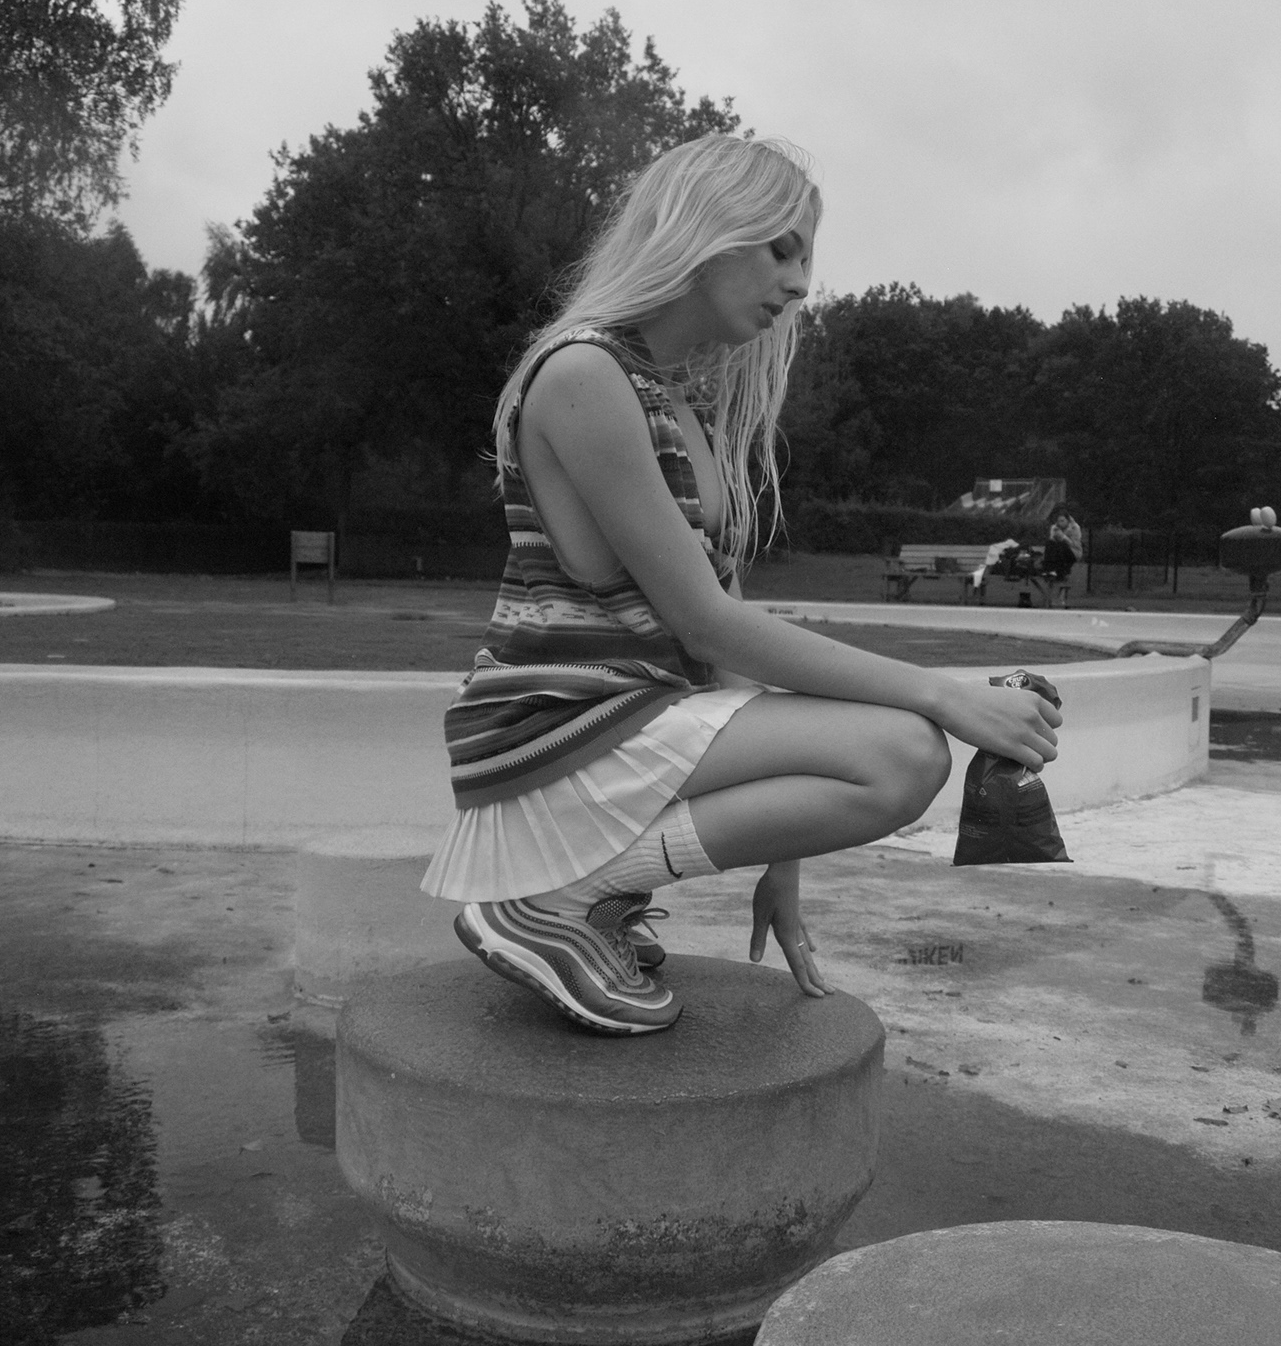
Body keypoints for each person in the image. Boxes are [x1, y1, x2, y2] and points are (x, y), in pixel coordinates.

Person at [423, 135, 1061, 1035]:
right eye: (780, 250)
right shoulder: (584, 372)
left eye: (807, 260)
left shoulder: (677, 400)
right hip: (559, 723)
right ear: (703, 231)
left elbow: (717, 652)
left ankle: (586, 898)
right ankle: (559, 899)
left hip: (630, 717)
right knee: (908, 752)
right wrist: (945, 695)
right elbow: (708, 625)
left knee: (902, 750)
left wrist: (784, 861)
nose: (800, 284)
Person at [1042, 504, 1083, 608]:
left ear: (1067, 520)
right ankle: (1049, 569)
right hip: (1059, 553)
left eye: (1062, 521)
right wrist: (1054, 537)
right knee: (1050, 543)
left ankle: (1060, 572)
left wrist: (1064, 537)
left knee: (1062, 544)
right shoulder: (1055, 528)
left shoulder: (1075, 528)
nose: (1060, 523)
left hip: (1073, 552)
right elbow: (1052, 544)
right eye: (1058, 521)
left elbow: (1075, 544)